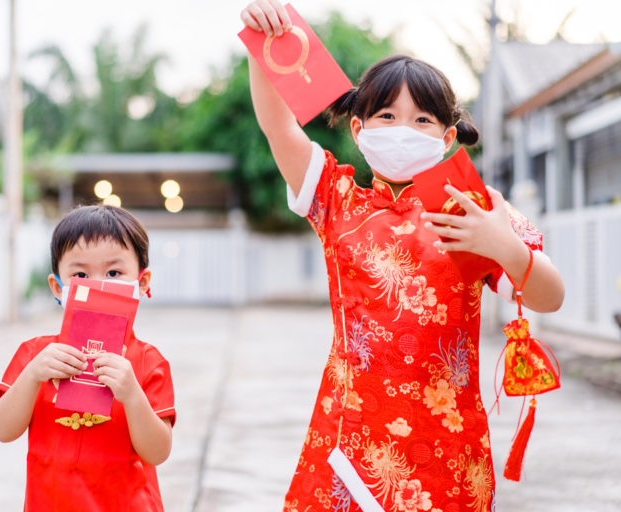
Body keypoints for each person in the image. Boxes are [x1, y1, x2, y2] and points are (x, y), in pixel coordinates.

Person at [240, 2, 565, 511]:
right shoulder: (333, 196)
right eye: (386, 115)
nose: (402, 128)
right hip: (348, 435)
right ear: (358, 129)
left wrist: (505, 247)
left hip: (447, 446)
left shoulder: (475, 211)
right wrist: (267, 49)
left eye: (421, 120)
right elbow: (279, 129)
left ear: (448, 136)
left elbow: (550, 296)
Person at [0, 205, 175, 511]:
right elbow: (2, 430)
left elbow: (157, 452)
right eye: (80, 274)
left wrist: (131, 394)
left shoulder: (148, 361)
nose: (97, 284)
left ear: (142, 283)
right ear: (57, 287)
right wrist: (34, 374)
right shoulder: (35, 355)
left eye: (114, 272)